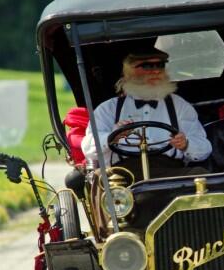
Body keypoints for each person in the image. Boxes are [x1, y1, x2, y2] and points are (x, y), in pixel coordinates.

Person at [81, 46, 211, 181]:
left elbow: (204, 149)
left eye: (160, 65)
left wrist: (186, 144)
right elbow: (89, 149)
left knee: (200, 175)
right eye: (147, 66)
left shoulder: (180, 106)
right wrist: (111, 137)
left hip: (170, 172)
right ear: (128, 72)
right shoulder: (109, 108)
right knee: (100, 179)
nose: (155, 71)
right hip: (123, 174)